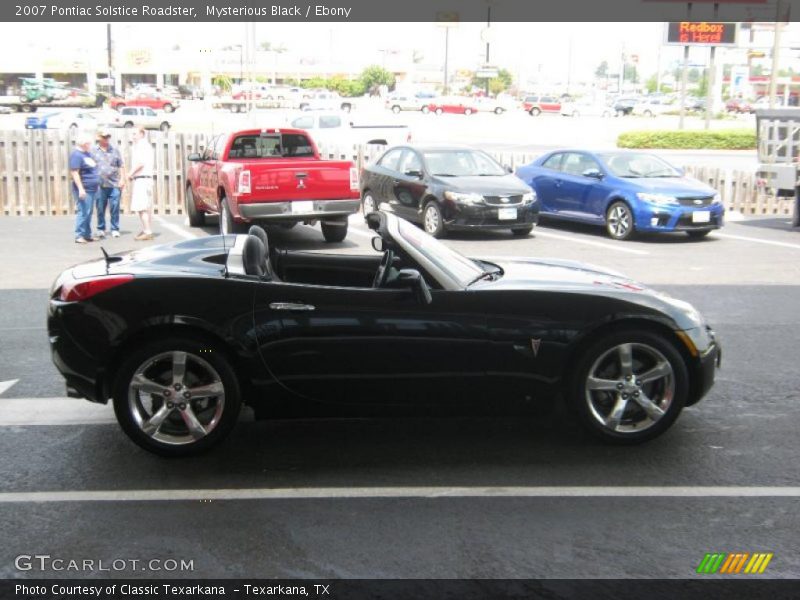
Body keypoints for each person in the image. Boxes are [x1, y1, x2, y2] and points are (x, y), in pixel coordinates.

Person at [91, 129, 126, 238]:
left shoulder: (115, 150)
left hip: (114, 183)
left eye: (108, 137)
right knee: (100, 207)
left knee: (115, 207)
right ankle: (101, 228)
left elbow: (121, 165)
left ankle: (115, 228)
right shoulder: (93, 151)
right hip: (99, 184)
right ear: (99, 138)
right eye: (104, 137)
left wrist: (122, 179)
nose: (106, 139)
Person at [69, 132, 99, 244]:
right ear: (83, 143)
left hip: (92, 188)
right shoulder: (76, 155)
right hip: (84, 188)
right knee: (83, 211)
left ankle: (87, 234)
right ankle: (79, 235)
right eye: (88, 143)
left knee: (89, 212)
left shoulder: (87, 154)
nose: (90, 145)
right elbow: (74, 173)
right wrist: (81, 189)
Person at [128, 126, 155, 241]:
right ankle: (146, 229)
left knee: (141, 207)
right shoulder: (143, 145)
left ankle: (147, 231)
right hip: (144, 179)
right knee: (144, 206)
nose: (133, 136)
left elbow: (140, 163)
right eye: (132, 134)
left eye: (135, 134)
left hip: (142, 179)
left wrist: (129, 174)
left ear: (142, 134)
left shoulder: (142, 146)